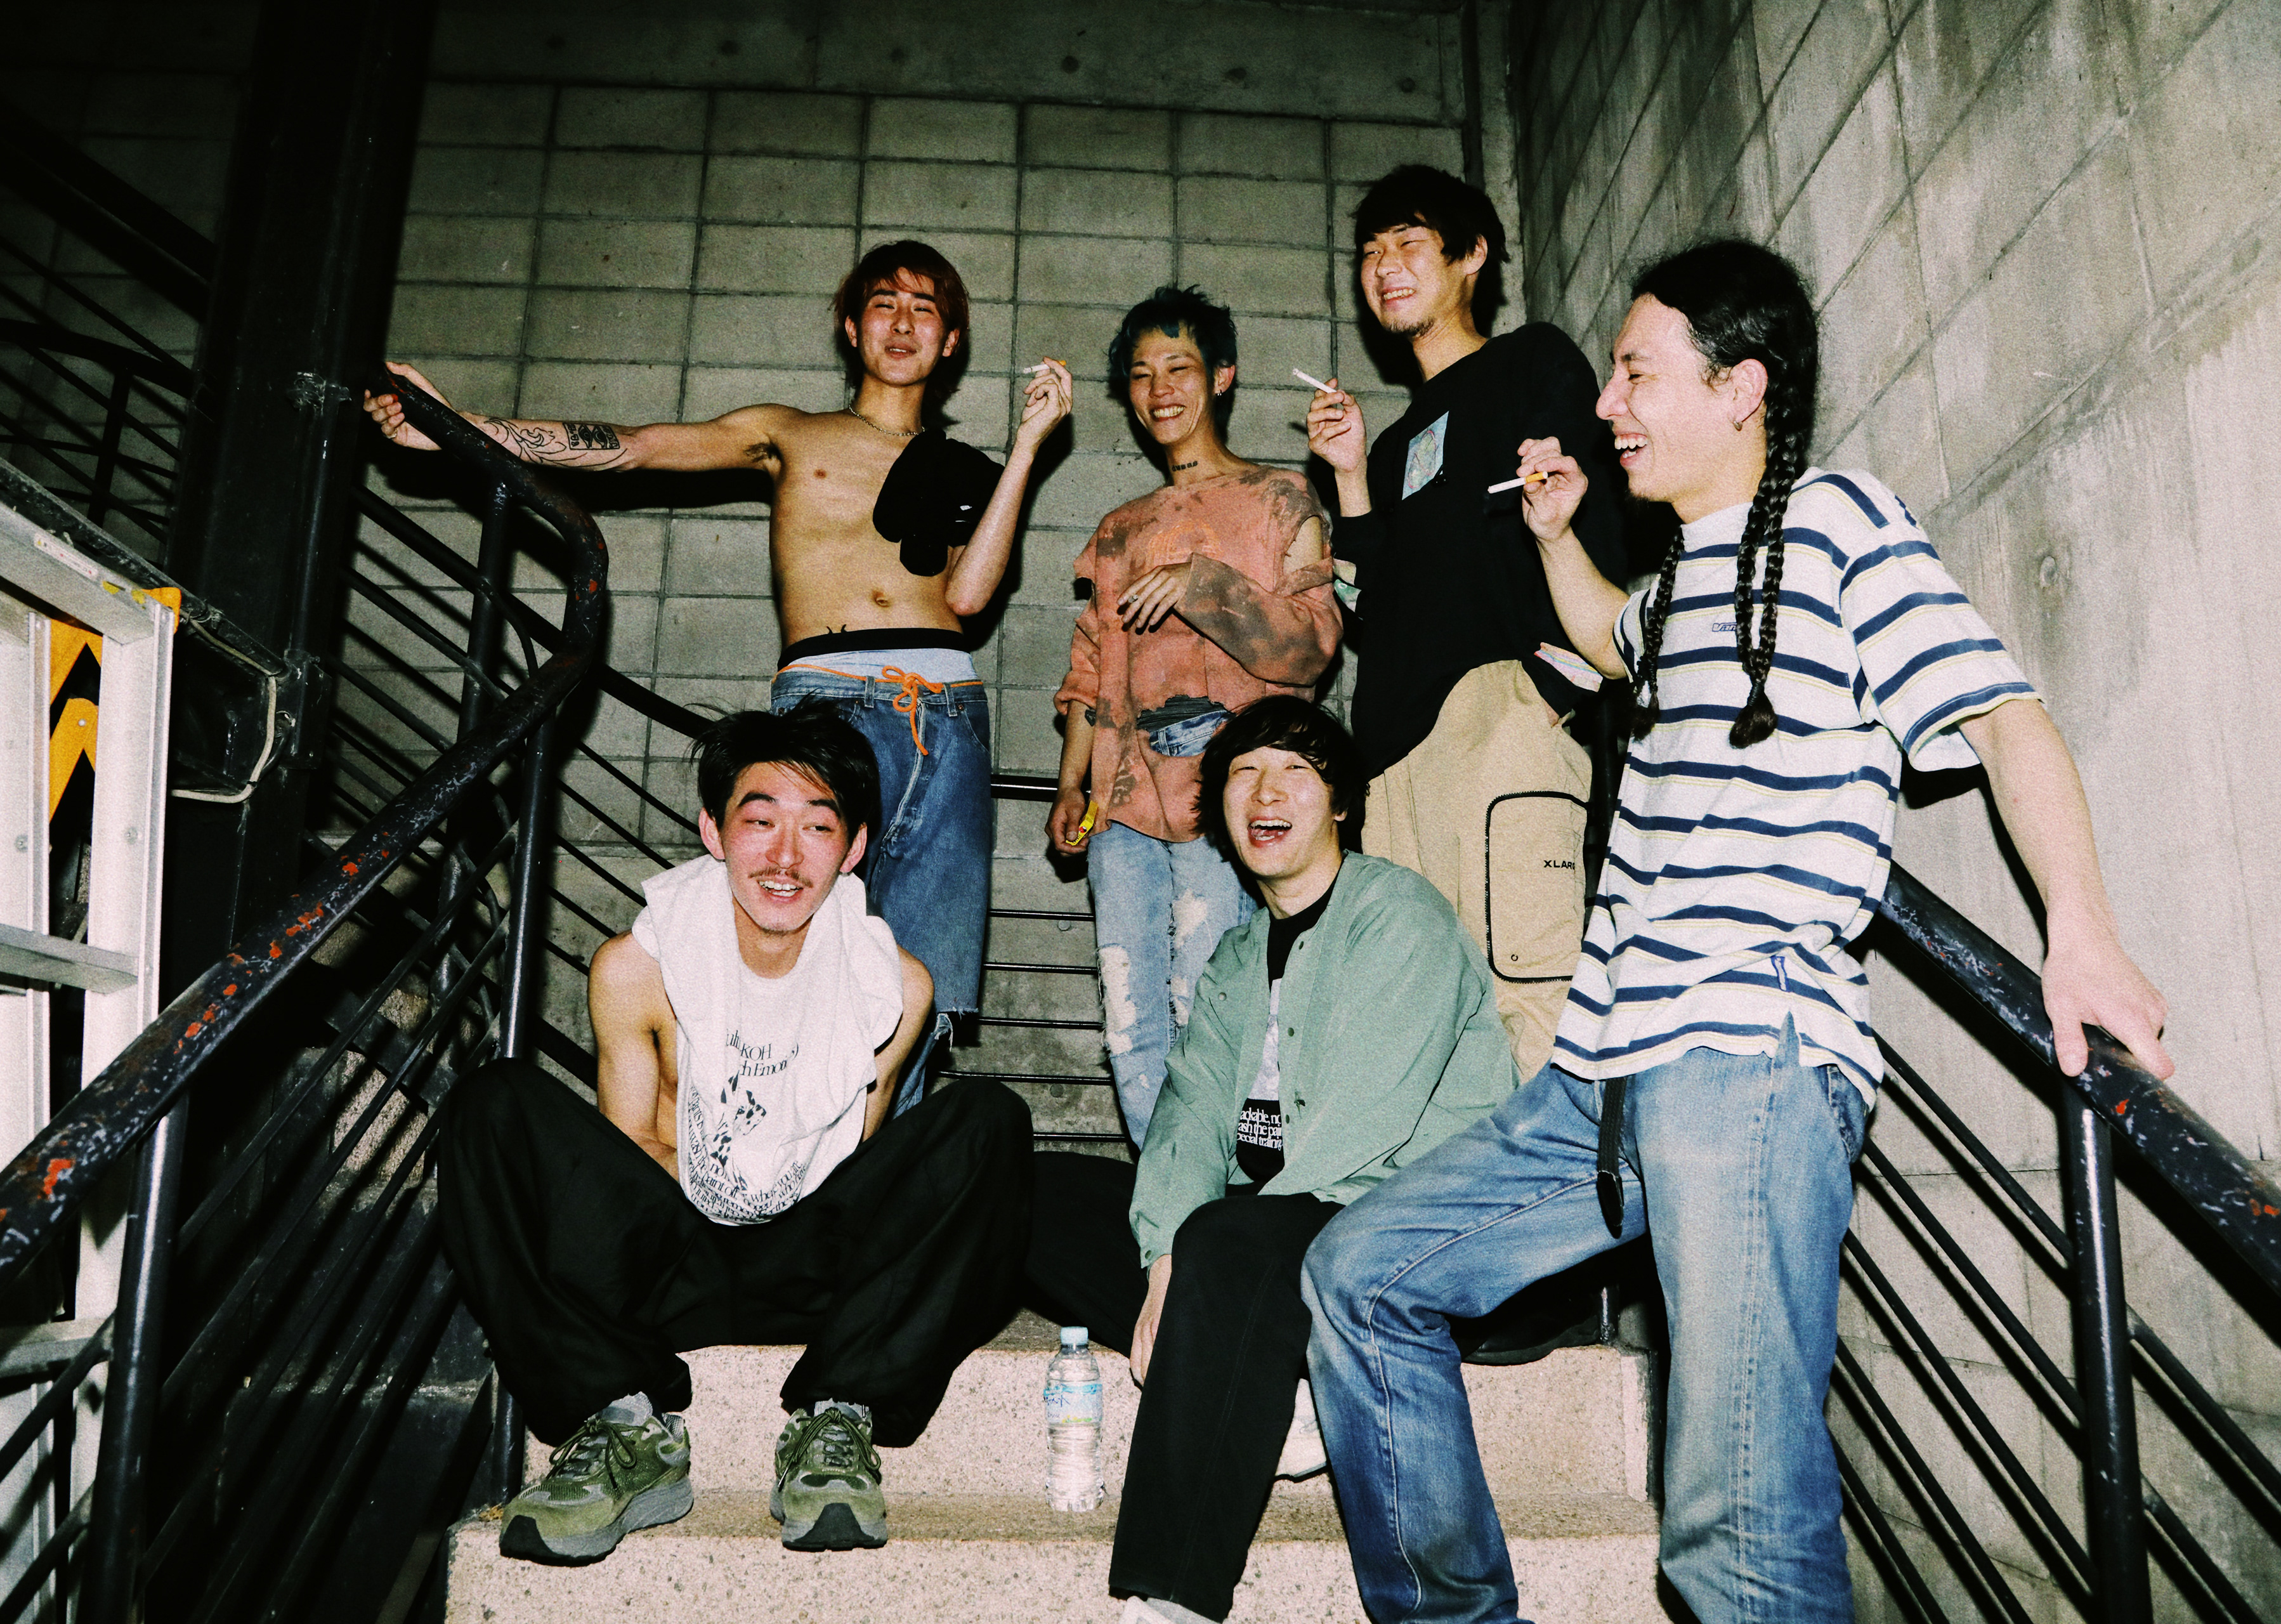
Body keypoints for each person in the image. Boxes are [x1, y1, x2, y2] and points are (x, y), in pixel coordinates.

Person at [1301, 240, 2175, 1623]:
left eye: (1637, 374)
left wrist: (2082, 931)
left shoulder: (1836, 522)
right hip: (1599, 1083)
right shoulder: (1678, 581)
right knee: (1359, 1275)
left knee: (1733, 1532)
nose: (1609, 405)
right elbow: (1613, 639)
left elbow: (2002, 712)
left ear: (1741, 389)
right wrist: (1554, 536)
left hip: (1744, 1057)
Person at [365, 239, 1075, 1113]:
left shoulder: (965, 470)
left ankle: (886, 1179)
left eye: (925, 309)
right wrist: (457, 429)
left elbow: (968, 598)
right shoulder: (790, 432)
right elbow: (635, 449)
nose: (903, 323)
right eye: (884, 304)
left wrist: (1026, 450)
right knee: (795, 945)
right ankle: (783, 1161)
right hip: (828, 701)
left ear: (951, 340)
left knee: (920, 970)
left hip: (948, 710)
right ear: (852, 328)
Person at [436, 705, 1033, 1565]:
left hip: (815, 1263)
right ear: (714, 831)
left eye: (817, 827)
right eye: (760, 822)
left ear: (855, 849)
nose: (786, 858)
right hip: (676, 1254)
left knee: (988, 1119)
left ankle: (838, 1419)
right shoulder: (635, 969)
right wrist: (734, 1173)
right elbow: (626, 1162)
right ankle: (623, 1424)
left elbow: (856, 1161)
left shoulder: (896, 987)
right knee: (490, 1101)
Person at [1021, 696, 1517, 1624]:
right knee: (1036, 1191)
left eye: (1296, 771)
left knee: (1229, 1239)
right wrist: (1164, 1257)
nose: (1265, 792)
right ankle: (1276, 1374)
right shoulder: (1239, 953)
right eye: (1243, 773)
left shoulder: (1397, 914)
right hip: (1259, 1237)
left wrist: (1205, 1244)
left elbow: (1359, 1133)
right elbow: (1191, 1115)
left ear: (1342, 804)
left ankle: (1171, 1596)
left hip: (1399, 1227)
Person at [1303, 165, 1627, 1084]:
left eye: (1409, 243)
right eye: (1370, 252)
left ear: (1472, 255)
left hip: (1501, 715)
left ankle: (1558, 1177)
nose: (1384, 267)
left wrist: (1554, 689)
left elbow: (1586, 506)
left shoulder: (1532, 363)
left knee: (1528, 995)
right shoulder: (1395, 444)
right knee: (1417, 1024)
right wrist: (1350, 475)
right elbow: (1369, 607)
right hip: (1391, 753)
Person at [1047, 286, 1342, 1147]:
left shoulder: (1281, 497)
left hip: (1234, 808)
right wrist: (1071, 785)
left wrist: (1203, 585)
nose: (1159, 390)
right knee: (1129, 1021)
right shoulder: (1119, 528)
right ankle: (1166, 1202)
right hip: (1124, 812)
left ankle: (1215, 1203)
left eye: (1178, 367)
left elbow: (1313, 647)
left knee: (1209, 1008)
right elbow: (1090, 670)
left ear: (1222, 376)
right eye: (1141, 375)